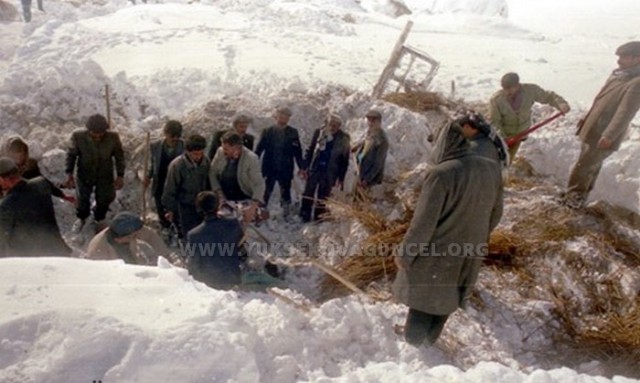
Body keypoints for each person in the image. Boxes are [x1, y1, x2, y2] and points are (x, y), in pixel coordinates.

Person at [392, 122, 503, 347]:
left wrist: (406, 253)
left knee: (424, 301)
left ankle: (414, 353)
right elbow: (496, 213)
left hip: (437, 254)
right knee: (448, 298)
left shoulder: (441, 174)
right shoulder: (492, 170)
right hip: (470, 252)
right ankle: (430, 343)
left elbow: (423, 223)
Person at [562, 41, 640, 209]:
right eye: (619, 57)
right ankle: (576, 196)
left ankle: (573, 201)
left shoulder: (636, 82)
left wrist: (609, 135)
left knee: (585, 166)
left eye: (624, 57)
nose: (619, 60)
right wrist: (587, 117)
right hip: (594, 127)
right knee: (587, 164)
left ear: (637, 59)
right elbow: (600, 100)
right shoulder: (620, 75)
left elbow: (625, 113)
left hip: (603, 133)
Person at [63, 114, 125, 233]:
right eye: (94, 135)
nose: (97, 138)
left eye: (100, 135)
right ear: (88, 130)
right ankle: (82, 218)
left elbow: (119, 157)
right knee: (82, 199)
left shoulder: (113, 138)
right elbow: (71, 155)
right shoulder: (78, 137)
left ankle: (99, 219)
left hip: (104, 175)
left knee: (104, 199)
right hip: (85, 174)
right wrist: (69, 173)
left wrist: (120, 175)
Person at [489, 72, 570, 161]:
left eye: (510, 89)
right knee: (502, 160)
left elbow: (548, 96)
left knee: (510, 161)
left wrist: (561, 103)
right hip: (506, 136)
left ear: (517, 85)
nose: (507, 92)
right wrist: (503, 140)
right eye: (505, 89)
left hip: (522, 134)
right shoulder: (496, 100)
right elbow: (495, 121)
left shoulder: (530, 91)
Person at [0, 157, 71, 257]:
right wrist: (63, 196)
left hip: (33, 261)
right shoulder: (41, 183)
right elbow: (49, 185)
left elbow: (2, 239)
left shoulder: (7, 205)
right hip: (58, 252)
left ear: (2, 179)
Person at [186, 191, 245, 290]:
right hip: (232, 281)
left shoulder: (194, 235)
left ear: (199, 208)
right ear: (218, 206)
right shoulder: (233, 224)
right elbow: (242, 250)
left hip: (209, 286)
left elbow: (193, 267)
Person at [299, 113, 351, 222]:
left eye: (336, 125)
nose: (332, 127)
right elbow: (311, 149)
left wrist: (341, 178)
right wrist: (304, 167)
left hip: (330, 172)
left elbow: (344, 160)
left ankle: (319, 218)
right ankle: (304, 215)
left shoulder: (344, 138)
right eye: (331, 124)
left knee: (323, 196)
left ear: (339, 126)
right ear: (327, 123)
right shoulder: (319, 132)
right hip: (315, 168)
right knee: (308, 192)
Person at [255, 106, 305, 216]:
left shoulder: (293, 132)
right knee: (266, 192)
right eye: (281, 116)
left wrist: (302, 167)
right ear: (276, 117)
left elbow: (298, 152)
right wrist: (253, 165)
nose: (283, 118)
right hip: (270, 168)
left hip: (286, 168)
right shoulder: (267, 131)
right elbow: (259, 149)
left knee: (286, 192)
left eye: (286, 116)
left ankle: (286, 215)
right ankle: (260, 213)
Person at [161, 134, 211, 239]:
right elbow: (170, 189)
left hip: (201, 206)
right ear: (187, 152)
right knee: (188, 235)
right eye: (195, 154)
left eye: (201, 153)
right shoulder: (177, 165)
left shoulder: (206, 162)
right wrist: (169, 209)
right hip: (184, 206)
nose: (198, 157)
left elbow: (209, 182)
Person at [209, 131, 265, 223]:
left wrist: (253, 207)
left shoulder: (251, 158)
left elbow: (259, 183)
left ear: (236, 148)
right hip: (224, 197)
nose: (224, 151)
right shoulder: (220, 152)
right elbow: (212, 172)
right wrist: (219, 193)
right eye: (223, 148)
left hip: (243, 197)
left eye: (226, 149)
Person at [4, 136, 74, 202]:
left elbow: (42, 182)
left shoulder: (30, 167)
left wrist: (62, 195)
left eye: (23, 151)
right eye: (17, 151)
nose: (20, 154)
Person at [86, 211, 172, 265]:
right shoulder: (98, 249)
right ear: (118, 239)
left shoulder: (134, 230)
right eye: (133, 236)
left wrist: (168, 261)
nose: (136, 237)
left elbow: (155, 242)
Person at [144, 120, 185, 230]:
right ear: (166, 134)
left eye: (178, 136)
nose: (175, 139)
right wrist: (148, 176)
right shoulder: (155, 146)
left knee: (176, 208)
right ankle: (166, 228)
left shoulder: (184, 147)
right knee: (161, 206)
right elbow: (153, 164)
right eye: (172, 136)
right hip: (161, 181)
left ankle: (177, 230)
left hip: (177, 183)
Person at [352, 109, 389, 190]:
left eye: (373, 121)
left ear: (379, 122)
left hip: (370, 180)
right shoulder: (370, 132)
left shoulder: (382, 140)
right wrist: (357, 147)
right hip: (361, 172)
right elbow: (366, 144)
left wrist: (367, 180)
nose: (370, 123)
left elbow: (378, 164)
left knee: (362, 200)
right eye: (369, 121)